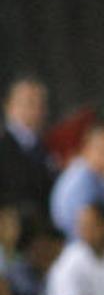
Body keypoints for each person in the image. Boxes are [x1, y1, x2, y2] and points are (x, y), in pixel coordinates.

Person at [0, 75, 55, 218]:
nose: (36, 110)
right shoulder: (4, 149)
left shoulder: (44, 147)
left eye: (41, 104)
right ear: (9, 106)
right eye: (29, 103)